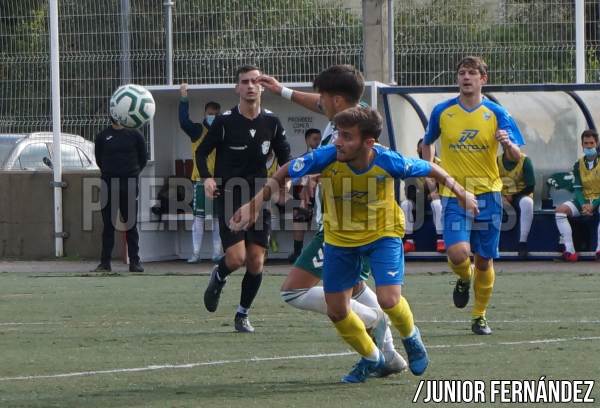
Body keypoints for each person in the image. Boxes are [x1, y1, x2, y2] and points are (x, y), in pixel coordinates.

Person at [230, 106, 478, 383]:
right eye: (338, 134)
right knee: (337, 310)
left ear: (368, 143)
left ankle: (411, 337)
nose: (338, 141)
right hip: (340, 240)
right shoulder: (327, 157)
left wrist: (462, 191)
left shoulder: (389, 161)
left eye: (347, 136)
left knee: (389, 299)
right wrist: (254, 205)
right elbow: (286, 170)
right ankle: (372, 358)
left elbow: (431, 168)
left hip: (382, 235)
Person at [258, 65, 408, 377]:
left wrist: (304, 176)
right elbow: (317, 107)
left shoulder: (349, 131)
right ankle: (389, 356)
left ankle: (374, 322)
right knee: (353, 287)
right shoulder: (350, 117)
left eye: (323, 98)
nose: (319, 102)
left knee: (294, 292)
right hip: (350, 224)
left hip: (346, 228)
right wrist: (281, 90)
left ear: (337, 100)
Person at [422, 56, 525, 336]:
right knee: (458, 254)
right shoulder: (442, 111)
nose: (466, 77)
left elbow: (516, 158)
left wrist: (508, 145)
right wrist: (432, 171)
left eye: (472, 73)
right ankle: (463, 279)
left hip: (489, 194)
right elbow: (427, 142)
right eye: (462, 73)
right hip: (454, 194)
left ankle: (479, 316)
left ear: (483, 79)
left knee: (484, 260)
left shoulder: (496, 113)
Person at [195, 65, 292, 333]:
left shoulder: (272, 122)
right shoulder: (224, 122)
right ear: (237, 88)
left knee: (256, 261)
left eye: (255, 81)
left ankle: (242, 314)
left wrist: (289, 181)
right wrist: (207, 178)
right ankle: (219, 274)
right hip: (229, 194)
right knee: (236, 258)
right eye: (245, 82)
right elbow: (202, 153)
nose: (250, 86)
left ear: (262, 87)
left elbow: (285, 156)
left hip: (260, 195)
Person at [93, 116, 147, 272]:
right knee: (108, 225)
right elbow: (99, 159)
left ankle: (135, 262)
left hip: (129, 184)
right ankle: (105, 263)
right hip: (108, 184)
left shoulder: (135, 135)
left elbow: (142, 158)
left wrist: (132, 173)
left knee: (130, 224)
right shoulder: (103, 136)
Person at [178, 84, 223, 263]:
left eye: (216, 114)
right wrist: (183, 98)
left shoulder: (223, 132)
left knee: (218, 219)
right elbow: (183, 121)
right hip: (200, 181)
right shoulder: (198, 130)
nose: (213, 116)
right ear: (205, 113)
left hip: (219, 181)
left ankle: (216, 253)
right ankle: (195, 253)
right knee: (199, 218)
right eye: (210, 113)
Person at [554, 129, 600, 262]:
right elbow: (578, 189)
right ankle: (570, 251)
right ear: (582, 145)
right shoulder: (578, 164)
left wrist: (593, 205)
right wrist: (584, 204)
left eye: (591, 143)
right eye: (586, 143)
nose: (589, 146)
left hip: (598, 201)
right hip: (584, 201)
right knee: (560, 211)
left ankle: (599, 250)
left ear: (596, 144)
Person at [400, 138, 444, 253]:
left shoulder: (441, 165)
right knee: (405, 204)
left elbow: (446, 187)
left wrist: (436, 193)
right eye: (421, 149)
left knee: (437, 204)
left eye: (427, 148)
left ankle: (441, 239)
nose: (424, 151)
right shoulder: (414, 165)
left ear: (433, 149)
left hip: (437, 199)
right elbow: (409, 191)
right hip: (419, 200)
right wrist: (426, 194)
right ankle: (409, 241)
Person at [287, 128, 322, 263]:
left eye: (319, 139)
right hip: (306, 195)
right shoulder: (303, 159)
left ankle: (321, 252)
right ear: (307, 140)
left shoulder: (326, 157)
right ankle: (297, 252)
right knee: (300, 213)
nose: (317, 142)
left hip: (323, 194)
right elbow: (294, 178)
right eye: (314, 139)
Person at [497, 149, 535, 258]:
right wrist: (501, 196)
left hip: (520, 195)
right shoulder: (497, 161)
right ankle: (493, 244)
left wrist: (513, 196)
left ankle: (522, 243)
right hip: (500, 195)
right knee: (489, 202)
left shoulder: (525, 161)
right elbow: (489, 182)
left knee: (528, 203)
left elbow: (530, 186)